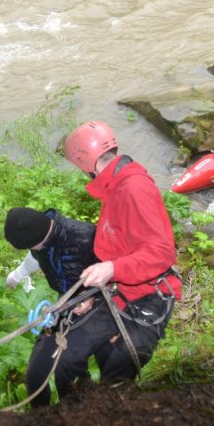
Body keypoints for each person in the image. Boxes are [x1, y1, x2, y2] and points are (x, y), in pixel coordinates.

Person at [63, 120, 181, 385]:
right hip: (120, 291)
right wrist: (90, 294)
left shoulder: (132, 190)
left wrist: (112, 269)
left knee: (116, 374)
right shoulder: (114, 186)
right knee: (83, 353)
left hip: (149, 295)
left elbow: (161, 253)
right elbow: (118, 245)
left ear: (85, 162)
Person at [4, 206, 101, 407]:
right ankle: (41, 420)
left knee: (68, 372)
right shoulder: (38, 236)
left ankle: (77, 414)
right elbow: (34, 257)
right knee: (35, 376)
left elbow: (114, 269)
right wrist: (18, 274)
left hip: (99, 307)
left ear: (42, 238)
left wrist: (92, 296)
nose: (36, 250)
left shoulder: (86, 237)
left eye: (35, 246)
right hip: (64, 304)